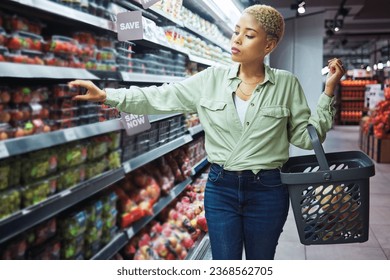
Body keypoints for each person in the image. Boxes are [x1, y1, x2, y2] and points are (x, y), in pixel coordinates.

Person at [69, 4, 345, 260]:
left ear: (268, 45)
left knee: (261, 262)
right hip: (221, 188)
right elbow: (162, 96)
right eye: (236, 32)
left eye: (248, 35)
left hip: (268, 190)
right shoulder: (211, 78)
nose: (236, 39)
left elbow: (306, 138)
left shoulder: (286, 84)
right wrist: (107, 95)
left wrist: (328, 92)